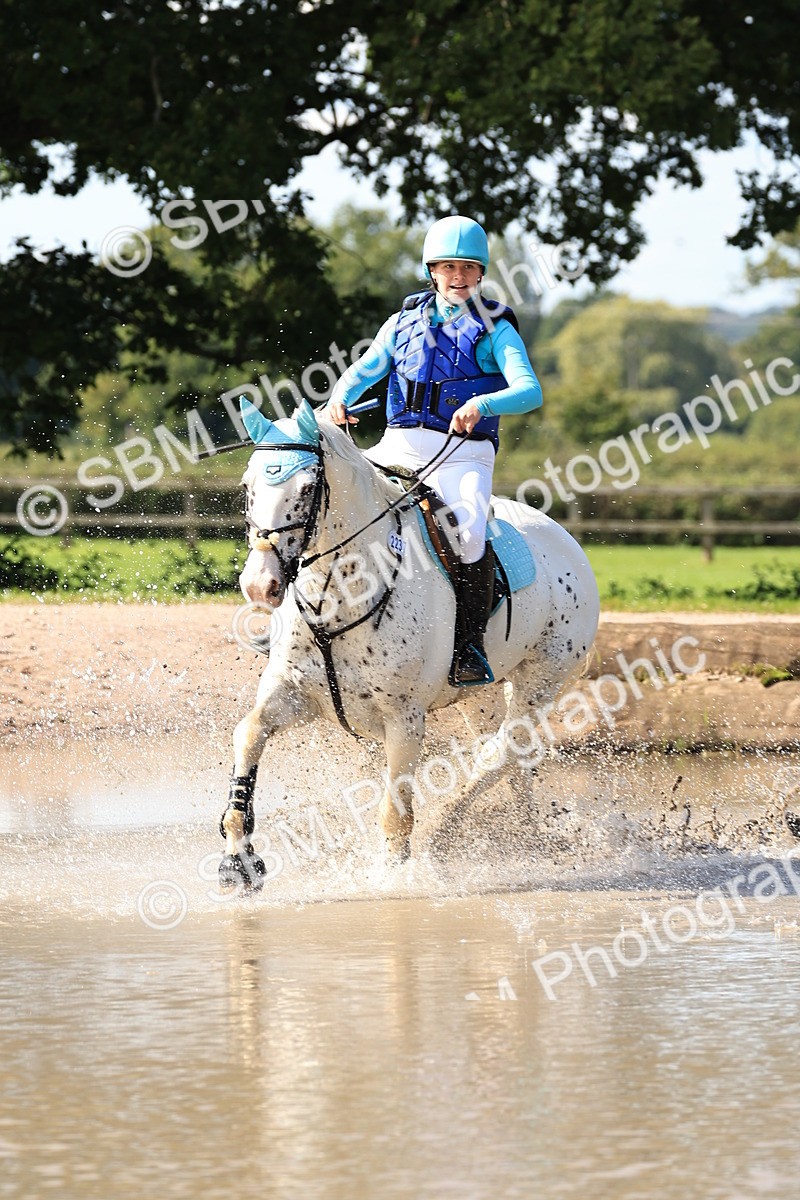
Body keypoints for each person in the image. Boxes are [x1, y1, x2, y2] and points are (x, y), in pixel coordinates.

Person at [325, 215, 542, 686]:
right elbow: (364, 370)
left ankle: (468, 646)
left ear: (481, 272)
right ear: (432, 271)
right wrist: (339, 396)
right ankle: (309, 620)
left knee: (466, 535)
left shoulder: (496, 328)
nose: (458, 276)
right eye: (448, 267)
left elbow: (530, 390)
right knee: (334, 502)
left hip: (462, 454)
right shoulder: (402, 323)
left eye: (467, 267)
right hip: (397, 444)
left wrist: (482, 403)